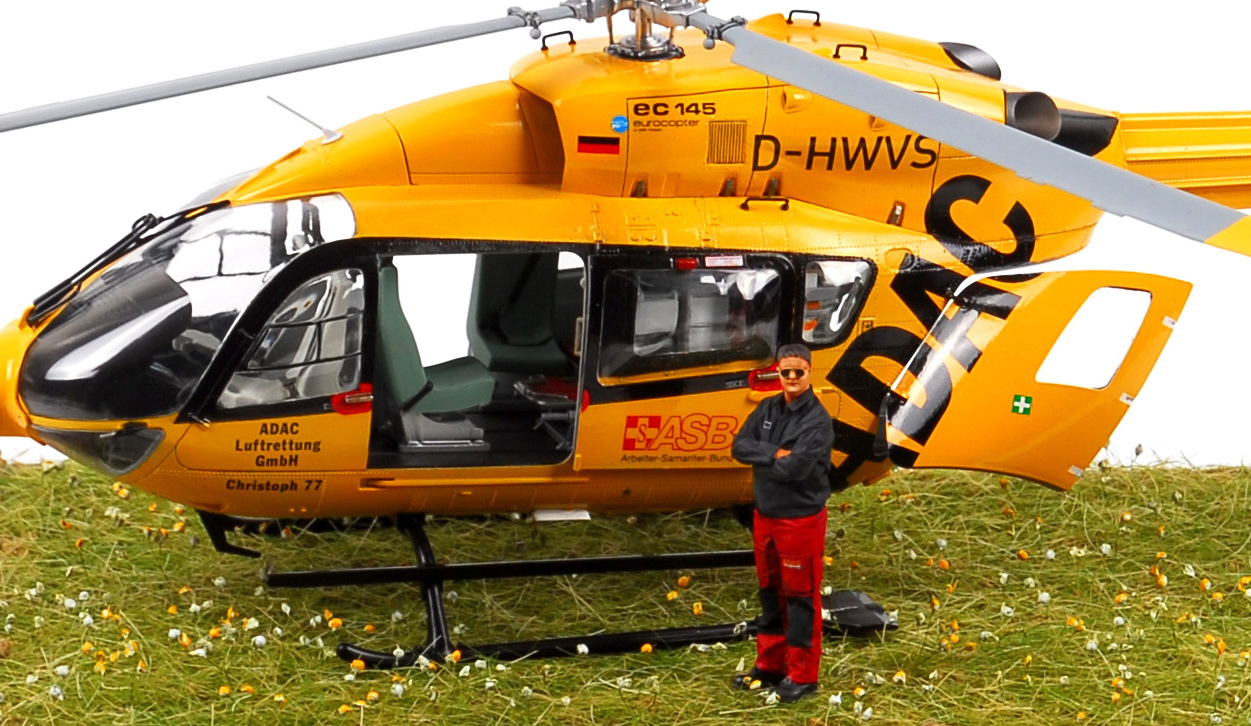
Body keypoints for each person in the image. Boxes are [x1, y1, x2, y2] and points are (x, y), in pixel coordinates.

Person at [730, 343, 834, 703]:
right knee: (770, 593)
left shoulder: (817, 421)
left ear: (809, 373)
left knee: (801, 598)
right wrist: (774, 453)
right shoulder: (768, 408)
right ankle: (770, 665)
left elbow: (796, 469)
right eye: (785, 372)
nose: (791, 378)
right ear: (778, 373)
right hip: (765, 516)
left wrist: (766, 460)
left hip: (800, 520)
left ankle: (803, 676)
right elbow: (739, 446)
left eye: (798, 372)